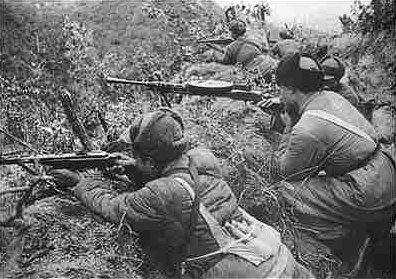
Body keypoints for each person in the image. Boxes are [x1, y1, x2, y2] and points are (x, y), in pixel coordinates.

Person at [51, 108, 314, 278]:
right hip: (281, 259)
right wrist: (136, 168)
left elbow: (111, 206)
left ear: (152, 161)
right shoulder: (203, 158)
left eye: (136, 155)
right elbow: (182, 176)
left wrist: (79, 184)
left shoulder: (162, 193)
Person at [258, 53, 396, 274]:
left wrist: (288, 125)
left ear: (292, 89)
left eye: (281, 90)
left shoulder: (307, 128)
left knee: (282, 190)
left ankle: (337, 238)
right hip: (385, 173)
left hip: (368, 194)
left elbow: (285, 172)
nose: (280, 96)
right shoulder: (334, 97)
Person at [213, 19, 277, 82]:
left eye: (230, 32)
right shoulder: (253, 39)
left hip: (256, 70)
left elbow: (224, 61)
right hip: (269, 63)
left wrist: (215, 52)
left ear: (233, 33)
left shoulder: (232, 47)